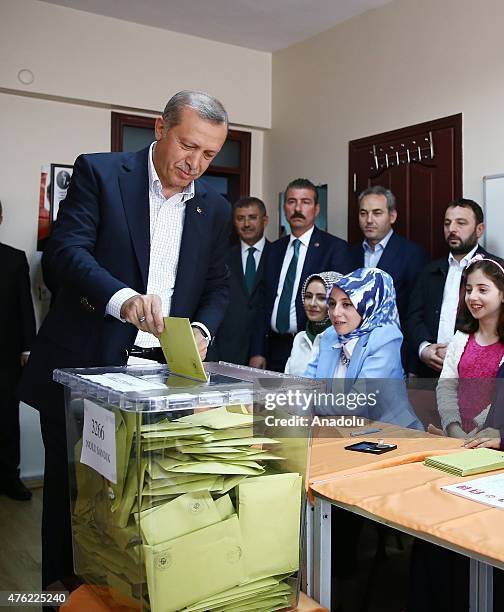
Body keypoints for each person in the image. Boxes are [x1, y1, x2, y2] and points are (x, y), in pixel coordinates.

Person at [19, 90, 231, 588]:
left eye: (209, 155)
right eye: (187, 145)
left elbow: (219, 286)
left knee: (144, 503)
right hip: (86, 371)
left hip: (162, 383)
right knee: (75, 503)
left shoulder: (215, 209)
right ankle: (62, 600)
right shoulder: (101, 173)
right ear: (160, 129)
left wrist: (200, 329)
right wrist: (123, 299)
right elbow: (65, 255)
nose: (195, 163)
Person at [250, 178, 349, 372]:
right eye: (291, 201)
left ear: (316, 209)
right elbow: (263, 303)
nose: (297, 208)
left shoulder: (334, 248)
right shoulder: (274, 250)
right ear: (284, 207)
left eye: (305, 202)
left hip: (313, 347)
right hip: (273, 349)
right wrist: (257, 350)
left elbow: (341, 304)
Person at [305, 267, 423, 429]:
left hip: (388, 435)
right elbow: (304, 384)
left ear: (369, 304)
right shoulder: (329, 335)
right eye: (332, 304)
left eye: (347, 304)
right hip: (336, 431)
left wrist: (306, 401)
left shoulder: (386, 337)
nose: (335, 312)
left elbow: (356, 404)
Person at [407, 198, 493, 377]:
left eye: (461, 223)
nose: (452, 229)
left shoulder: (495, 270)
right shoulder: (429, 270)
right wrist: (424, 348)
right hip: (430, 372)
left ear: (479, 229)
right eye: (447, 223)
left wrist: (463, 354)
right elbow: (414, 316)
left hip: (476, 375)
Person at [436, 255, 504, 437]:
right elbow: (446, 385)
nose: (472, 296)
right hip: (455, 434)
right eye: (468, 290)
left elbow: (500, 400)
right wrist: (453, 427)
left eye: (482, 290)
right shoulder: (461, 337)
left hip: (491, 434)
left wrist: (476, 432)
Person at [348, 185, 428, 328]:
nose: (369, 220)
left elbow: (416, 310)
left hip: (395, 342)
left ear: (392, 216)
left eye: (377, 213)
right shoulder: (351, 253)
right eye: (363, 213)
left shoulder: (412, 254)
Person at [0, 200, 36, 501]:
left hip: (5, 354)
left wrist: (28, 348)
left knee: (7, 419)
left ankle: (10, 478)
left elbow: (25, 306)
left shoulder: (13, 259)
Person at [207, 196, 270, 365]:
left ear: (265, 220)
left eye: (252, 217)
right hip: (227, 351)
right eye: (240, 218)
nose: (246, 224)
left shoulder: (278, 255)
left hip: (267, 351)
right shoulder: (221, 258)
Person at [284, 271, 342, 377]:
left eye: (322, 298)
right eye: (308, 296)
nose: (312, 303)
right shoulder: (299, 338)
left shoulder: (343, 342)